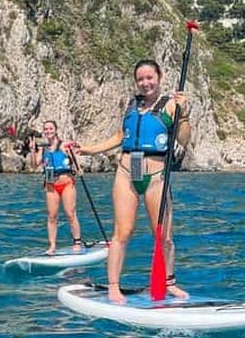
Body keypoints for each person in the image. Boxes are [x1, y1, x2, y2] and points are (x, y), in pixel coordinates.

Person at [73, 59, 191, 304]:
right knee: (122, 232)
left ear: (159, 77)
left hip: (157, 175)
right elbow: (119, 136)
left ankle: (169, 283)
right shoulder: (131, 105)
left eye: (150, 77)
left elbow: (185, 139)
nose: (145, 83)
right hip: (127, 171)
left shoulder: (170, 106)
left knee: (163, 236)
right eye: (141, 79)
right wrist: (88, 149)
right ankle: (113, 286)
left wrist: (183, 114)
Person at [29, 121, 82, 255]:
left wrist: (78, 169)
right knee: (52, 216)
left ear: (56, 130)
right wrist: (32, 150)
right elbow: (34, 165)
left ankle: (77, 241)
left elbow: (74, 160)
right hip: (51, 185)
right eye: (46, 129)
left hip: (66, 183)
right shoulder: (43, 148)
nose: (48, 131)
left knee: (70, 214)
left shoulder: (64, 145)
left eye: (51, 128)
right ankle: (52, 246)